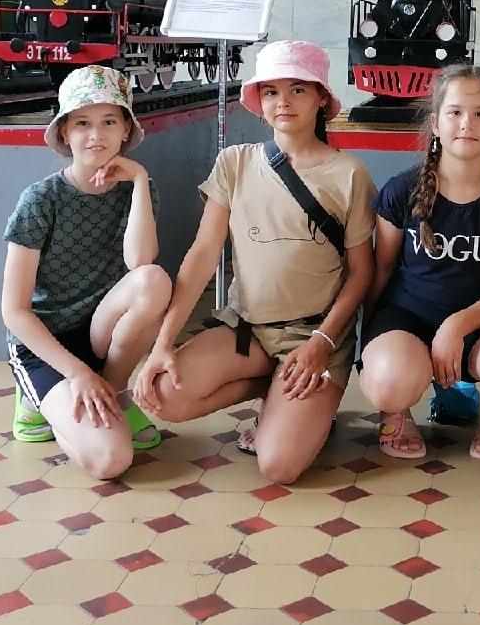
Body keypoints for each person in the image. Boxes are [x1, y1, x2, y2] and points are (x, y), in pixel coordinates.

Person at [133, 41, 376, 485]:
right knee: (164, 397)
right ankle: (275, 388)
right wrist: (162, 344)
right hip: (247, 332)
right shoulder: (235, 163)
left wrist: (322, 341)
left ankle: (302, 403)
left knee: (279, 465)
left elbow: (362, 272)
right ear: (259, 101)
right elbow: (202, 255)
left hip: (313, 335)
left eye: (298, 89)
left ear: (321, 98)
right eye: (271, 91)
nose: (283, 102)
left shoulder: (349, 174)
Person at [359, 66, 480, 461]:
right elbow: (381, 271)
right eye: (455, 112)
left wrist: (457, 325)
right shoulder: (401, 191)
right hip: (407, 323)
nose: (467, 123)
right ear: (435, 124)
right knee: (387, 379)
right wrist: (371, 343)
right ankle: (395, 409)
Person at [0, 66, 169, 481]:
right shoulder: (40, 200)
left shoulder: (138, 189)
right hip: (46, 344)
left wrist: (139, 179)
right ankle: (38, 400)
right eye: (82, 123)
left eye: (109, 121)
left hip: (98, 334)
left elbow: (140, 263)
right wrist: (76, 373)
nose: (96, 135)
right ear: (64, 132)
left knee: (153, 281)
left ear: (126, 129)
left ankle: (112, 392)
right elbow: (14, 311)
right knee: (110, 459)